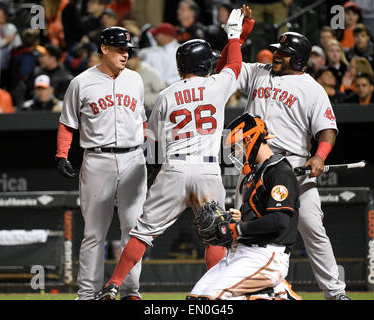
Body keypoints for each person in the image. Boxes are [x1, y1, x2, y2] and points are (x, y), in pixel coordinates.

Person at [95, 8, 245, 300]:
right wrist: (235, 35)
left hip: (173, 168)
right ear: (205, 65)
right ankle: (213, 294)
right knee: (218, 232)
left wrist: (152, 174)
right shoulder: (216, 85)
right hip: (208, 170)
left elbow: (151, 142)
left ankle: (113, 285)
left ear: (180, 68)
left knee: (142, 233)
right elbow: (235, 64)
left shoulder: (166, 95)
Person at [217, 6, 351, 300]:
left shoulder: (312, 89)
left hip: (293, 167)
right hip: (256, 168)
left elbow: (327, 129)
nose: (277, 55)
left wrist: (320, 156)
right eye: (277, 50)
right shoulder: (257, 72)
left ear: (300, 58)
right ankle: (243, 288)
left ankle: (335, 292)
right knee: (250, 231)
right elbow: (226, 69)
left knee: (313, 229)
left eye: (285, 52)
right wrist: (239, 36)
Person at [56, 26, 147, 300]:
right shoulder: (81, 82)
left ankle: (131, 291)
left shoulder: (136, 80)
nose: (125, 55)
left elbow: (141, 123)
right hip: (97, 159)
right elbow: (67, 124)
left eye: (128, 51)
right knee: (94, 233)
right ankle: (87, 294)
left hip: (133, 158)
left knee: (133, 229)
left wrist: (149, 155)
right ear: (104, 49)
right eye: (120, 49)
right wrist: (62, 154)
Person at [188, 113, 301, 300]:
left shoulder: (280, 172)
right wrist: (238, 220)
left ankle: (277, 294)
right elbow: (259, 217)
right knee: (195, 299)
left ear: (250, 139)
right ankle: (273, 293)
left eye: (237, 146)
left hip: (268, 255)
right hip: (244, 251)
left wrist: (237, 228)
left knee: (211, 299)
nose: (236, 153)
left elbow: (279, 220)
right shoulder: (256, 174)